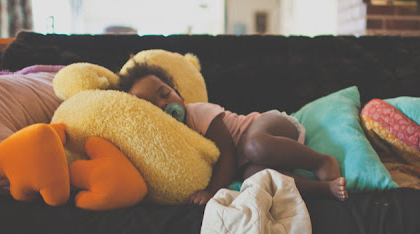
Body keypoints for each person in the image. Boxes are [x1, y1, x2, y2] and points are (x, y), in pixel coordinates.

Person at [118, 61, 348, 205]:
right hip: (250, 162)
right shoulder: (172, 139)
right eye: (152, 105)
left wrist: (211, 191)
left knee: (253, 145)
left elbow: (227, 152)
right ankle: (324, 189)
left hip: (270, 127)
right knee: (257, 178)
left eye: (165, 94)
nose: (163, 104)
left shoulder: (197, 112)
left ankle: (320, 162)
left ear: (179, 94)